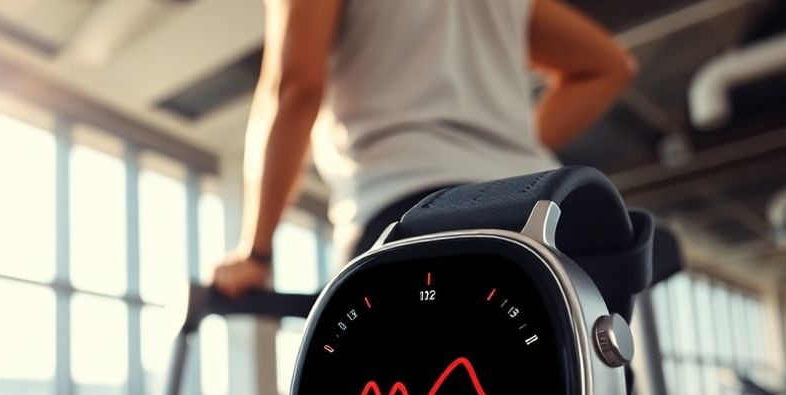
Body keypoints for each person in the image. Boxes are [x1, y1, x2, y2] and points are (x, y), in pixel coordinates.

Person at [212, 0, 636, 297]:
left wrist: (256, 253)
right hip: (541, 216)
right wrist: (505, 151)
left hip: (411, 218)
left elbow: (295, 90)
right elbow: (609, 66)